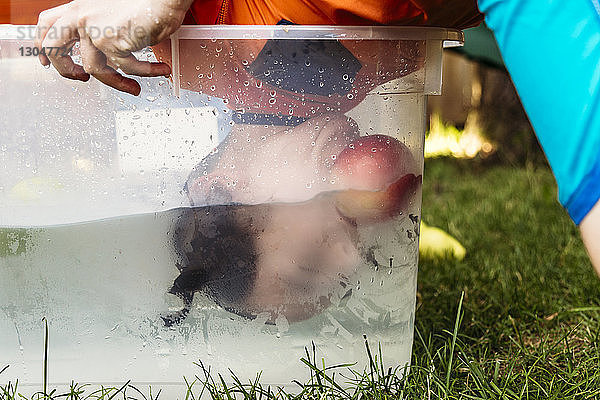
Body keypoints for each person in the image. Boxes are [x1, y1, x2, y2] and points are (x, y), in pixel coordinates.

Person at [24, 0, 600, 315]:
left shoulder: (199, 40)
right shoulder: (307, 91)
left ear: (223, 185)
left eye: (310, 264)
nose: (352, 255)